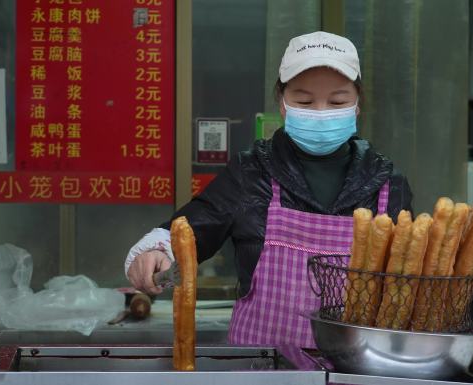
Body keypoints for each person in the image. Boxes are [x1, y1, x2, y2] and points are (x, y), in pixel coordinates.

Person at [125, 31, 413, 348]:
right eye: (304, 101)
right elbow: (197, 224)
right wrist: (156, 249)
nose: (319, 112)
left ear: (357, 105)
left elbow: (407, 278)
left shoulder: (387, 182)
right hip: (263, 367)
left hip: (358, 369)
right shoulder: (251, 173)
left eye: (337, 101)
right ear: (282, 103)